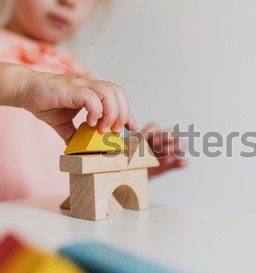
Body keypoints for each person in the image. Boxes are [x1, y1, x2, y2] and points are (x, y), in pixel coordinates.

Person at [0, 0, 185, 200]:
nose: (69, 2)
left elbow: (86, 190)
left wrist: (127, 166)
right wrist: (23, 85)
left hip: (62, 226)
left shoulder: (84, 82)